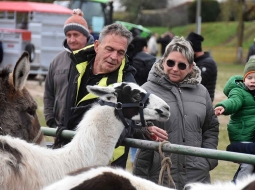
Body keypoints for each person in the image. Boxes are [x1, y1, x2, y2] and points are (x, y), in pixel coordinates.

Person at [60, 22, 167, 169]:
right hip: (68, 151)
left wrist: (141, 128)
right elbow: (64, 102)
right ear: (97, 46)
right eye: (109, 49)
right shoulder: (78, 63)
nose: (114, 57)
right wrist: (59, 127)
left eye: (120, 52)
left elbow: (128, 120)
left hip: (106, 162)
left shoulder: (126, 83)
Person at [133, 36, 219, 190]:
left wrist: (207, 160)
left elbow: (211, 128)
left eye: (181, 65)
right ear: (163, 60)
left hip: (196, 179)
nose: (175, 68)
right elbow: (132, 124)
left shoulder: (202, 92)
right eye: (171, 63)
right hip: (159, 176)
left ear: (191, 67)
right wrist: (145, 130)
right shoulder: (147, 90)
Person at [214, 58, 255, 180]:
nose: (252, 81)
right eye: (249, 78)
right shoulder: (239, 91)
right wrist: (224, 106)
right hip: (242, 136)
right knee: (248, 163)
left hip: (254, 136)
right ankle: (238, 185)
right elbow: (234, 101)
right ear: (244, 78)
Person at [44, 9, 94, 128]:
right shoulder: (57, 61)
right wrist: (51, 122)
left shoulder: (96, 59)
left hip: (86, 129)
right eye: (68, 35)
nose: (71, 40)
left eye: (76, 35)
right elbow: (48, 93)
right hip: (60, 128)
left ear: (86, 35)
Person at [126, 36, 156, 165]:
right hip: (149, 105)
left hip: (132, 106)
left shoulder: (129, 61)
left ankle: (134, 163)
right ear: (145, 47)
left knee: (134, 137)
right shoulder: (152, 61)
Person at [186, 32, 218, 102]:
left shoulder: (208, 63)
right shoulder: (197, 61)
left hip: (203, 103)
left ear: (193, 50)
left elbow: (196, 82)